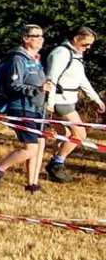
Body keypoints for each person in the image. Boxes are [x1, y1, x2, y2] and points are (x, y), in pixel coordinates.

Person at [0, 25, 52, 193]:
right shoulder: (18, 59)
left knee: (40, 145)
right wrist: (36, 90)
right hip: (21, 107)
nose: (40, 39)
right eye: (36, 35)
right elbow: (14, 85)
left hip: (38, 108)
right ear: (25, 38)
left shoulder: (35, 59)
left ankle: (32, 184)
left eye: (41, 35)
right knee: (31, 147)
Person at [44, 27, 103, 184]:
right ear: (76, 38)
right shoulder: (61, 53)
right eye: (86, 44)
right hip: (60, 101)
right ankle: (57, 162)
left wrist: (96, 99)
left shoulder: (77, 55)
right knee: (80, 134)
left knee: (64, 135)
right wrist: (49, 103)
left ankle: (55, 170)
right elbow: (52, 78)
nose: (88, 48)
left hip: (68, 99)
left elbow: (81, 79)